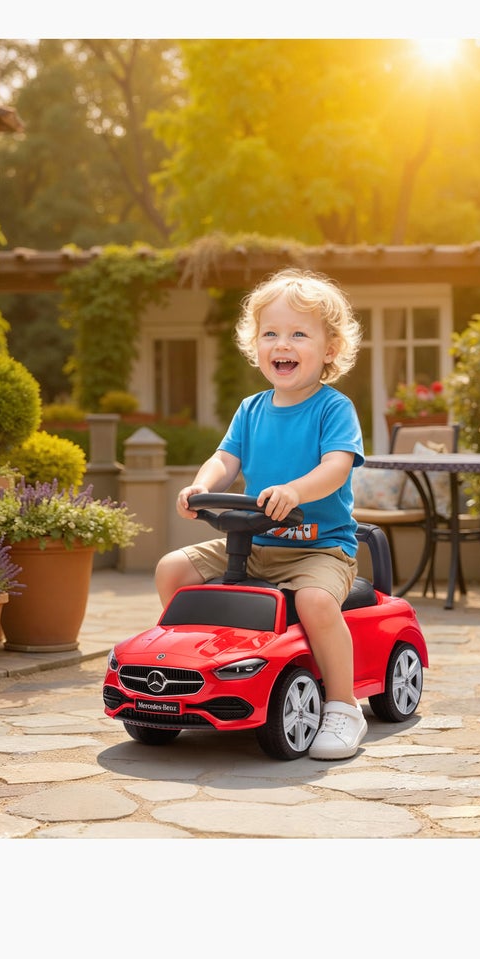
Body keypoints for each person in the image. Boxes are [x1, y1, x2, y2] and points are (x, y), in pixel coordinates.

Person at [155, 267, 367, 759]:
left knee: (315, 601)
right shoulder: (250, 409)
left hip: (319, 548)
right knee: (172, 569)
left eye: (298, 334)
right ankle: (202, 663)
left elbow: (336, 467)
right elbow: (224, 460)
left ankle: (343, 705)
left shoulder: (333, 409)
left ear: (330, 349)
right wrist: (202, 486)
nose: (282, 344)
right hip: (252, 545)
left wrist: (294, 491)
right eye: (270, 333)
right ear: (256, 346)